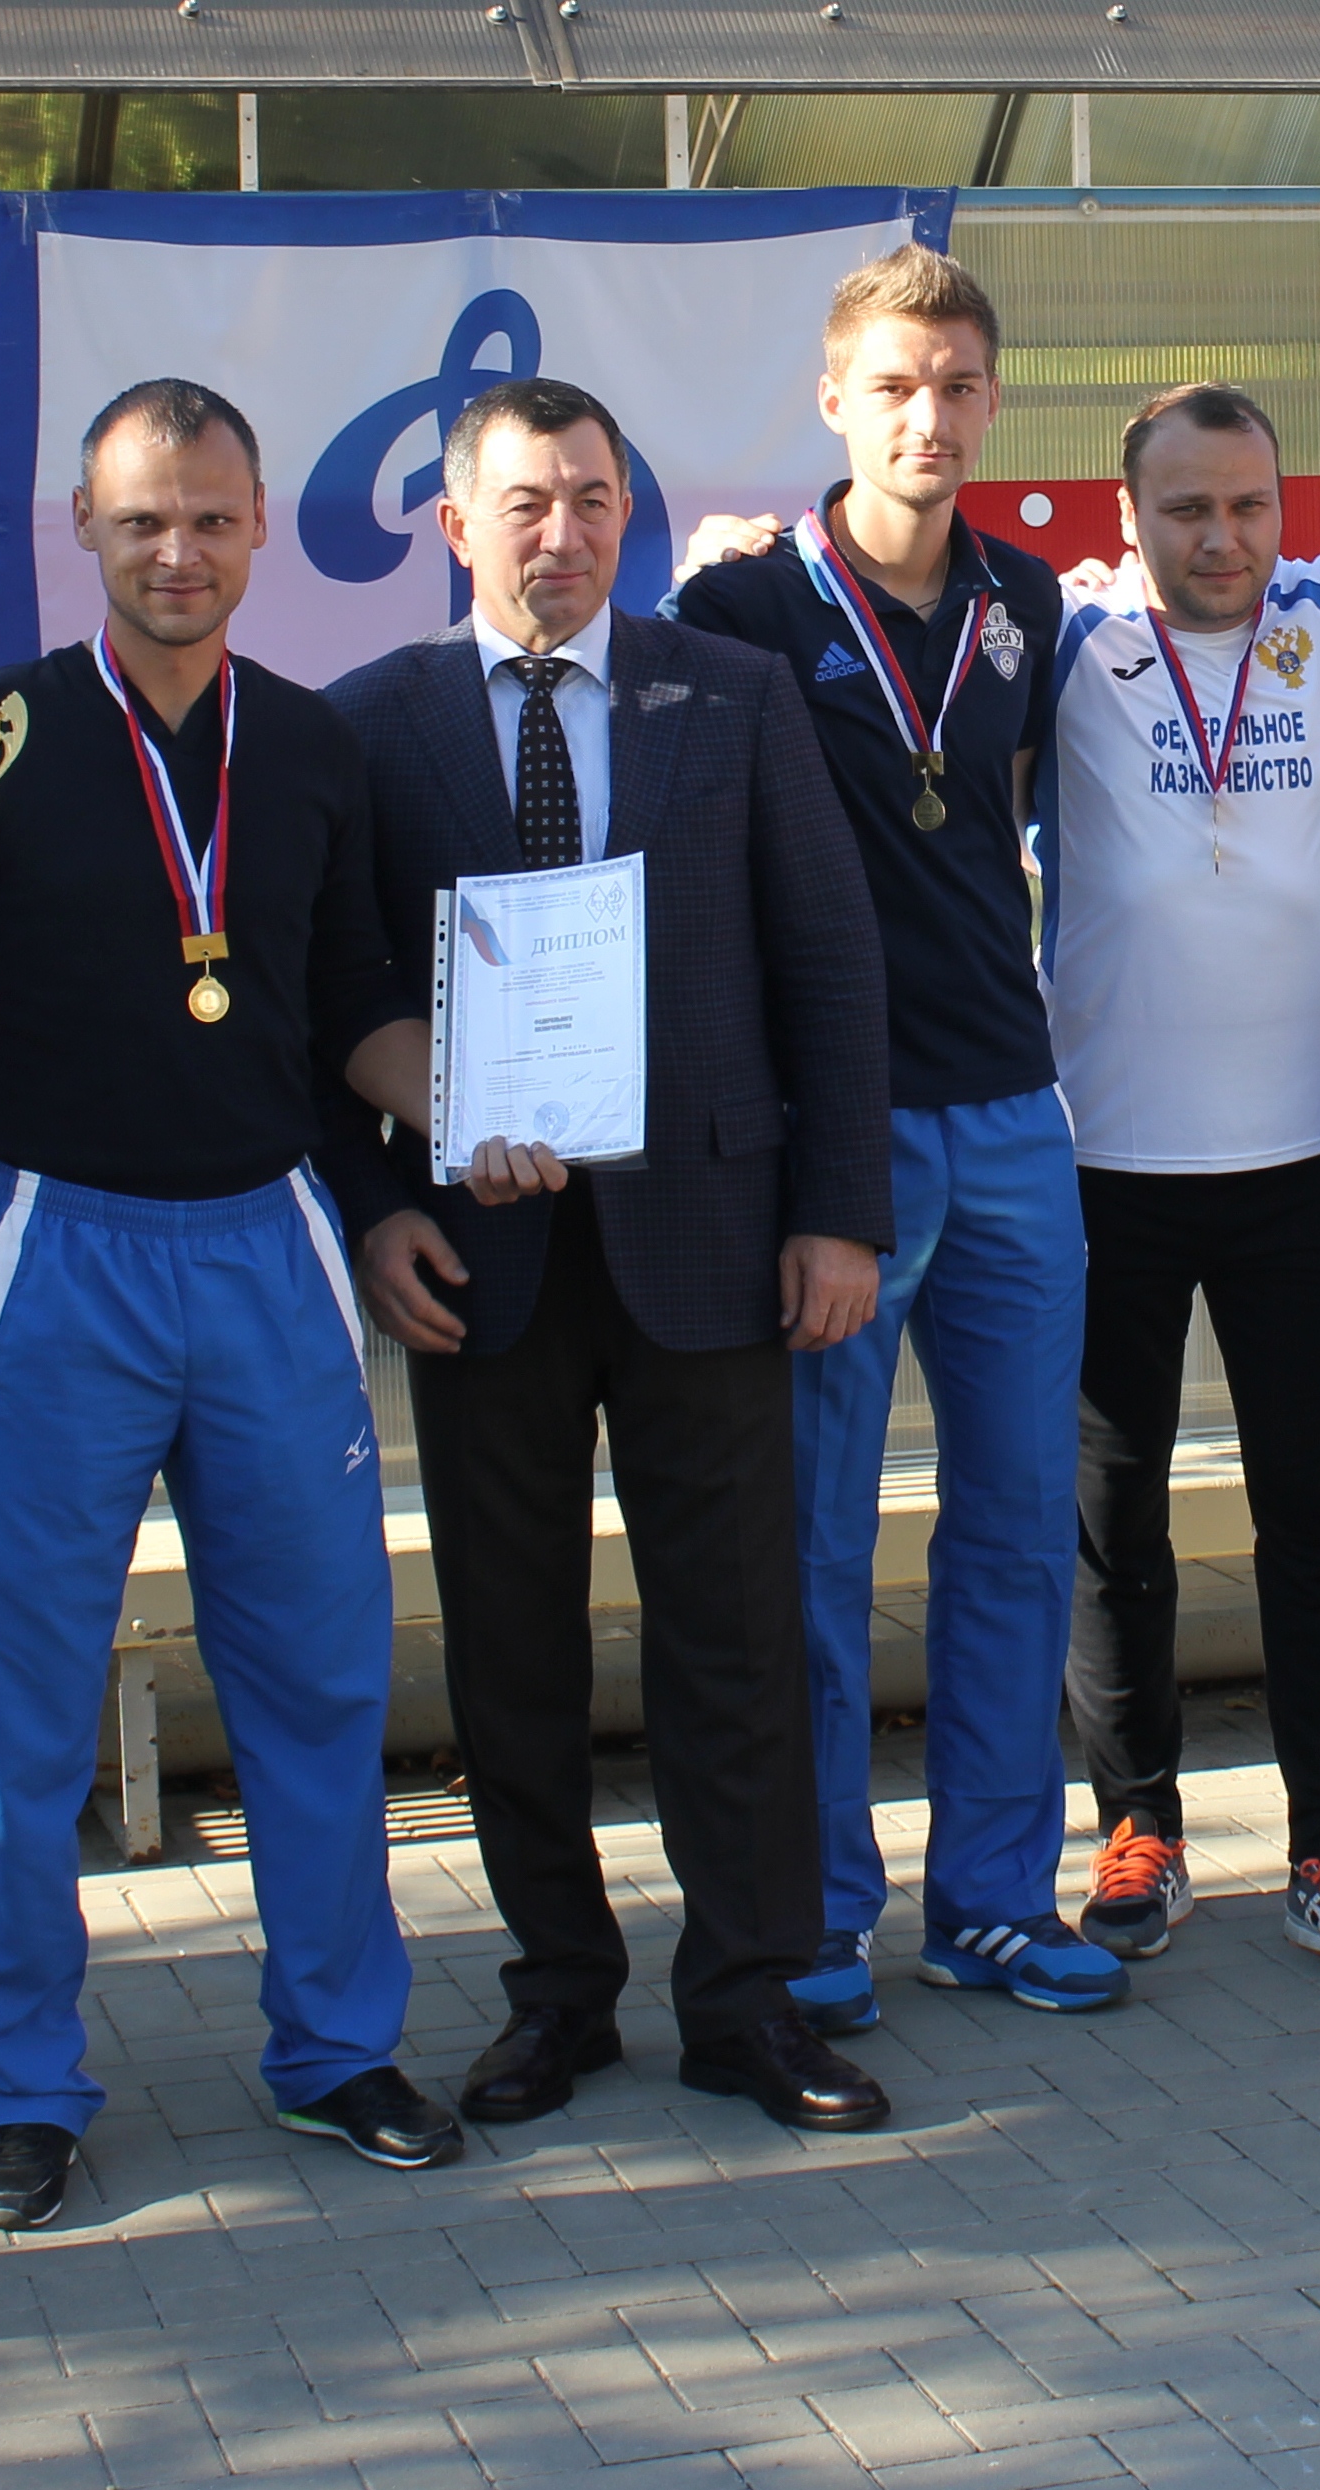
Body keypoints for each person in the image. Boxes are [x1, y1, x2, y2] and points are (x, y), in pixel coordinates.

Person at [0, 379, 453, 2230]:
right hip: (55, 1248)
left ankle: (337, 2046)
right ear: (83, 529)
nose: (179, 552)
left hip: (267, 1246)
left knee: (319, 1678)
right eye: (143, 520)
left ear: (258, 531)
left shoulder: (313, 747)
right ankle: (21, 2079)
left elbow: (354, 1007)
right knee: (17, 1700)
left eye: (211, 520)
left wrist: (496, 1106)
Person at [333, 376, 902, 2135]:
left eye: (593, 498)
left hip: (710, 1242)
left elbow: (829, 958)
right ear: (457, 525)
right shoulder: (370, 723)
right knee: (512, 1653)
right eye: (526, 502)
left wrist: (840, 1212)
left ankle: (748, 1997)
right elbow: (329, 997)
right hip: (479, 1265)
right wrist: (375, 1210)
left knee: (734, 1638)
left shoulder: (724, 695)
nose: (564, 532)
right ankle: (558, 1994)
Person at [666, 246, 1110, 2026]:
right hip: (835, 1141)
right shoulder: (741, 607)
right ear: (835, 401)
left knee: (1017, 1527)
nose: (931, 418)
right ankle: (820, 1908)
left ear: (994, 402)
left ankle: (993, 1898)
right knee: (815, 1545)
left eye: (960, 386)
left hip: (1011, 1119)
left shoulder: (1027, 599)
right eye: (897, 387)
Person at [1041, 385, 1320, 1979]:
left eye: (1249, 506)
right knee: (1113, 1525)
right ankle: (1138, 1825)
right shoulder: (1066, 637)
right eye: (1186, 510)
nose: (1222, 540)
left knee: (1315, 1514)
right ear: (1128, 516)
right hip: (1104, 1161)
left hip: (1310, 1156)